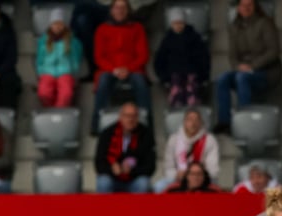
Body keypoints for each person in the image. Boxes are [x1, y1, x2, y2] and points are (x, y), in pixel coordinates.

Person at [214, 0, 282, 134]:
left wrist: (252, 66)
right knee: (222, 79)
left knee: (241, 78)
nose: (246, 8)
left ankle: (244, 123)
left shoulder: (265, 23)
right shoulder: (233, 27)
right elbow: (232, 56)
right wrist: (238, 66)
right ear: (238, 8)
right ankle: (225, 122)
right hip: (244, 70)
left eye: (249, 5)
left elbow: (273, 51)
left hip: (267, 71)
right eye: (243, 5)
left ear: (255, 6)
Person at [92, 0, 150, 133]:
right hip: (109, 69)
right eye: (117, 7)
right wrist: (114, 69)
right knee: (103, 81)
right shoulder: (102, 29)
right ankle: (97, 124)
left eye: (123, 7)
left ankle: (146, 124)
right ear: (111, 10)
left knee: (140, 82)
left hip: (133, 68)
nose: (120, 11)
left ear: (128, 10)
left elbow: (143, 55)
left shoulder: (137, 28)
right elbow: (99, 57)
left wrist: (128, 68)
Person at [153, 7, 210, 109]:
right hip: (174, 75)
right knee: (176, 91)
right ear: (171, 24)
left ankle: (193, 113)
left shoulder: (194, 37)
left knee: (191, 91)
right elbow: (159, 61)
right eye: (175, 23)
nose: (178, 26)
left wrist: (203, 76)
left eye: (180, 23)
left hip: (192, 73)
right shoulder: (167, 40)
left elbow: (203, 58)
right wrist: (164, 78)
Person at [94, 102, 154, 193]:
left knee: (143, 183)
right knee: (103, 182)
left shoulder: (146, 135)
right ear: (120, 117)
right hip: (112, 177)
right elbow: (98, 163)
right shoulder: (107, 133)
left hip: (134, 178)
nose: (130, 119)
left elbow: (150, 166)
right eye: (127, 116)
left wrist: (132, 171)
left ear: (137, 118)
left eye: (133, 116)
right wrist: (112, 169)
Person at [155, 108, 219, 192]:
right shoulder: (174, 140)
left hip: (201, 178)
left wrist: (197, 175)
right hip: (179, 178)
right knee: (159, 187)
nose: (193, 123)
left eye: (196, 120)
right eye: (190, 119)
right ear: (184, 122)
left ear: (201, 123)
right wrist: (177, 175)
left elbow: (213, 169)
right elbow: (168, 167)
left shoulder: (209, 140)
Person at [35, 8, 83, 108]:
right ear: (50, 25)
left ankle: (59, 112)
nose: (57, 27)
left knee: (66, 94)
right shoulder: (43, 41)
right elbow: (40, 58)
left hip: (65, 71)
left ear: (64, 25)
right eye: (54, 24)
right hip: (47, 71)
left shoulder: (71, 41)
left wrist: (73, 72)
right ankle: (50, 111)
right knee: (43, 93)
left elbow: (75, 58)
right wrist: (40, 72)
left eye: (60, 24)